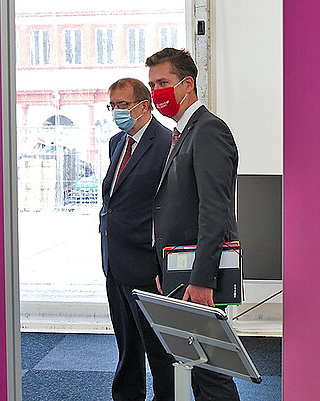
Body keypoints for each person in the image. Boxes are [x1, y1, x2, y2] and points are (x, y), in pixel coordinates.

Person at [147, 48, 241, 401]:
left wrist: (202, 279)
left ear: (188, 84)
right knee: (198, 370)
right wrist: (167, 268)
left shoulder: (209, 131)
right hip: (180, 272)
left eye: (164, 83)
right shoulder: (182, 133)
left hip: (200, 279)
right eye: (153, 84)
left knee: (212, 372)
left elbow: (214, 211)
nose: (157, 93)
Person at [99, 77, 175, 401]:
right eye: (112, 106)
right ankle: (127, 395)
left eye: (123, 105)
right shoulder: (119, 142)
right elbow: (113, 201)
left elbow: (172, 206)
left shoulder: (166, 142)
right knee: (127, 342)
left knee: (158, 348)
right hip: (115, 261)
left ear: (144, 106)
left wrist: (164, 264)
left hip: (147, 264)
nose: (117, 111)